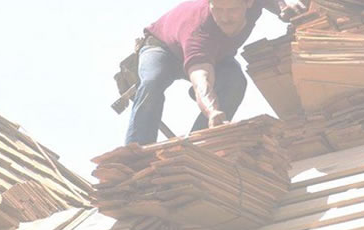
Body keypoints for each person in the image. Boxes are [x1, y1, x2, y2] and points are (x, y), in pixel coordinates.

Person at [125, 0, 306, 145]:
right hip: (163, 48)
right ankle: (137, 150)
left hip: (216, 54)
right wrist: (212, 112)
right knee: (152, 82)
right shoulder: (199, 30)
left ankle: (199, 144)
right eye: (218, 9)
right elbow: (201, 81)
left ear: (248, 3)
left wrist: (284, 6)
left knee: (235, 82)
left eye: (232, 10)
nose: (225, 17)